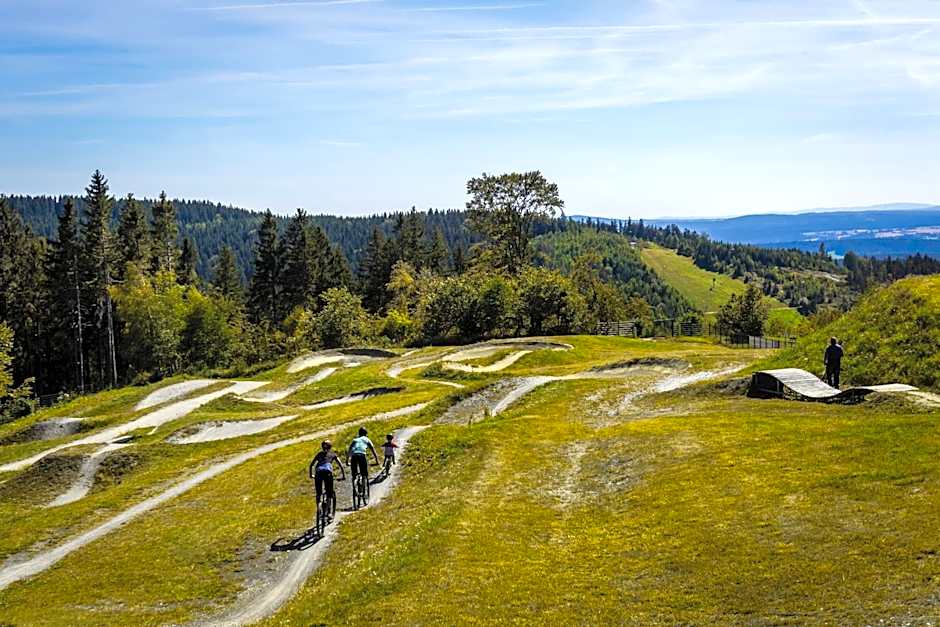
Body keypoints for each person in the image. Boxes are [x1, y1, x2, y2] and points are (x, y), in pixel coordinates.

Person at [309, 440, 345, 519]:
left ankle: (319, 508)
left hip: (318, 473)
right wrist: (343, 475)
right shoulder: (333, 454)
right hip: (327, 473)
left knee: (319, 493)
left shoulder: (319, 454)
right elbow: (341, 465)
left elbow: (311, 465)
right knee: (329, 493)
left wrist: (311, 475)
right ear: (330, 447)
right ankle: (328, 513)